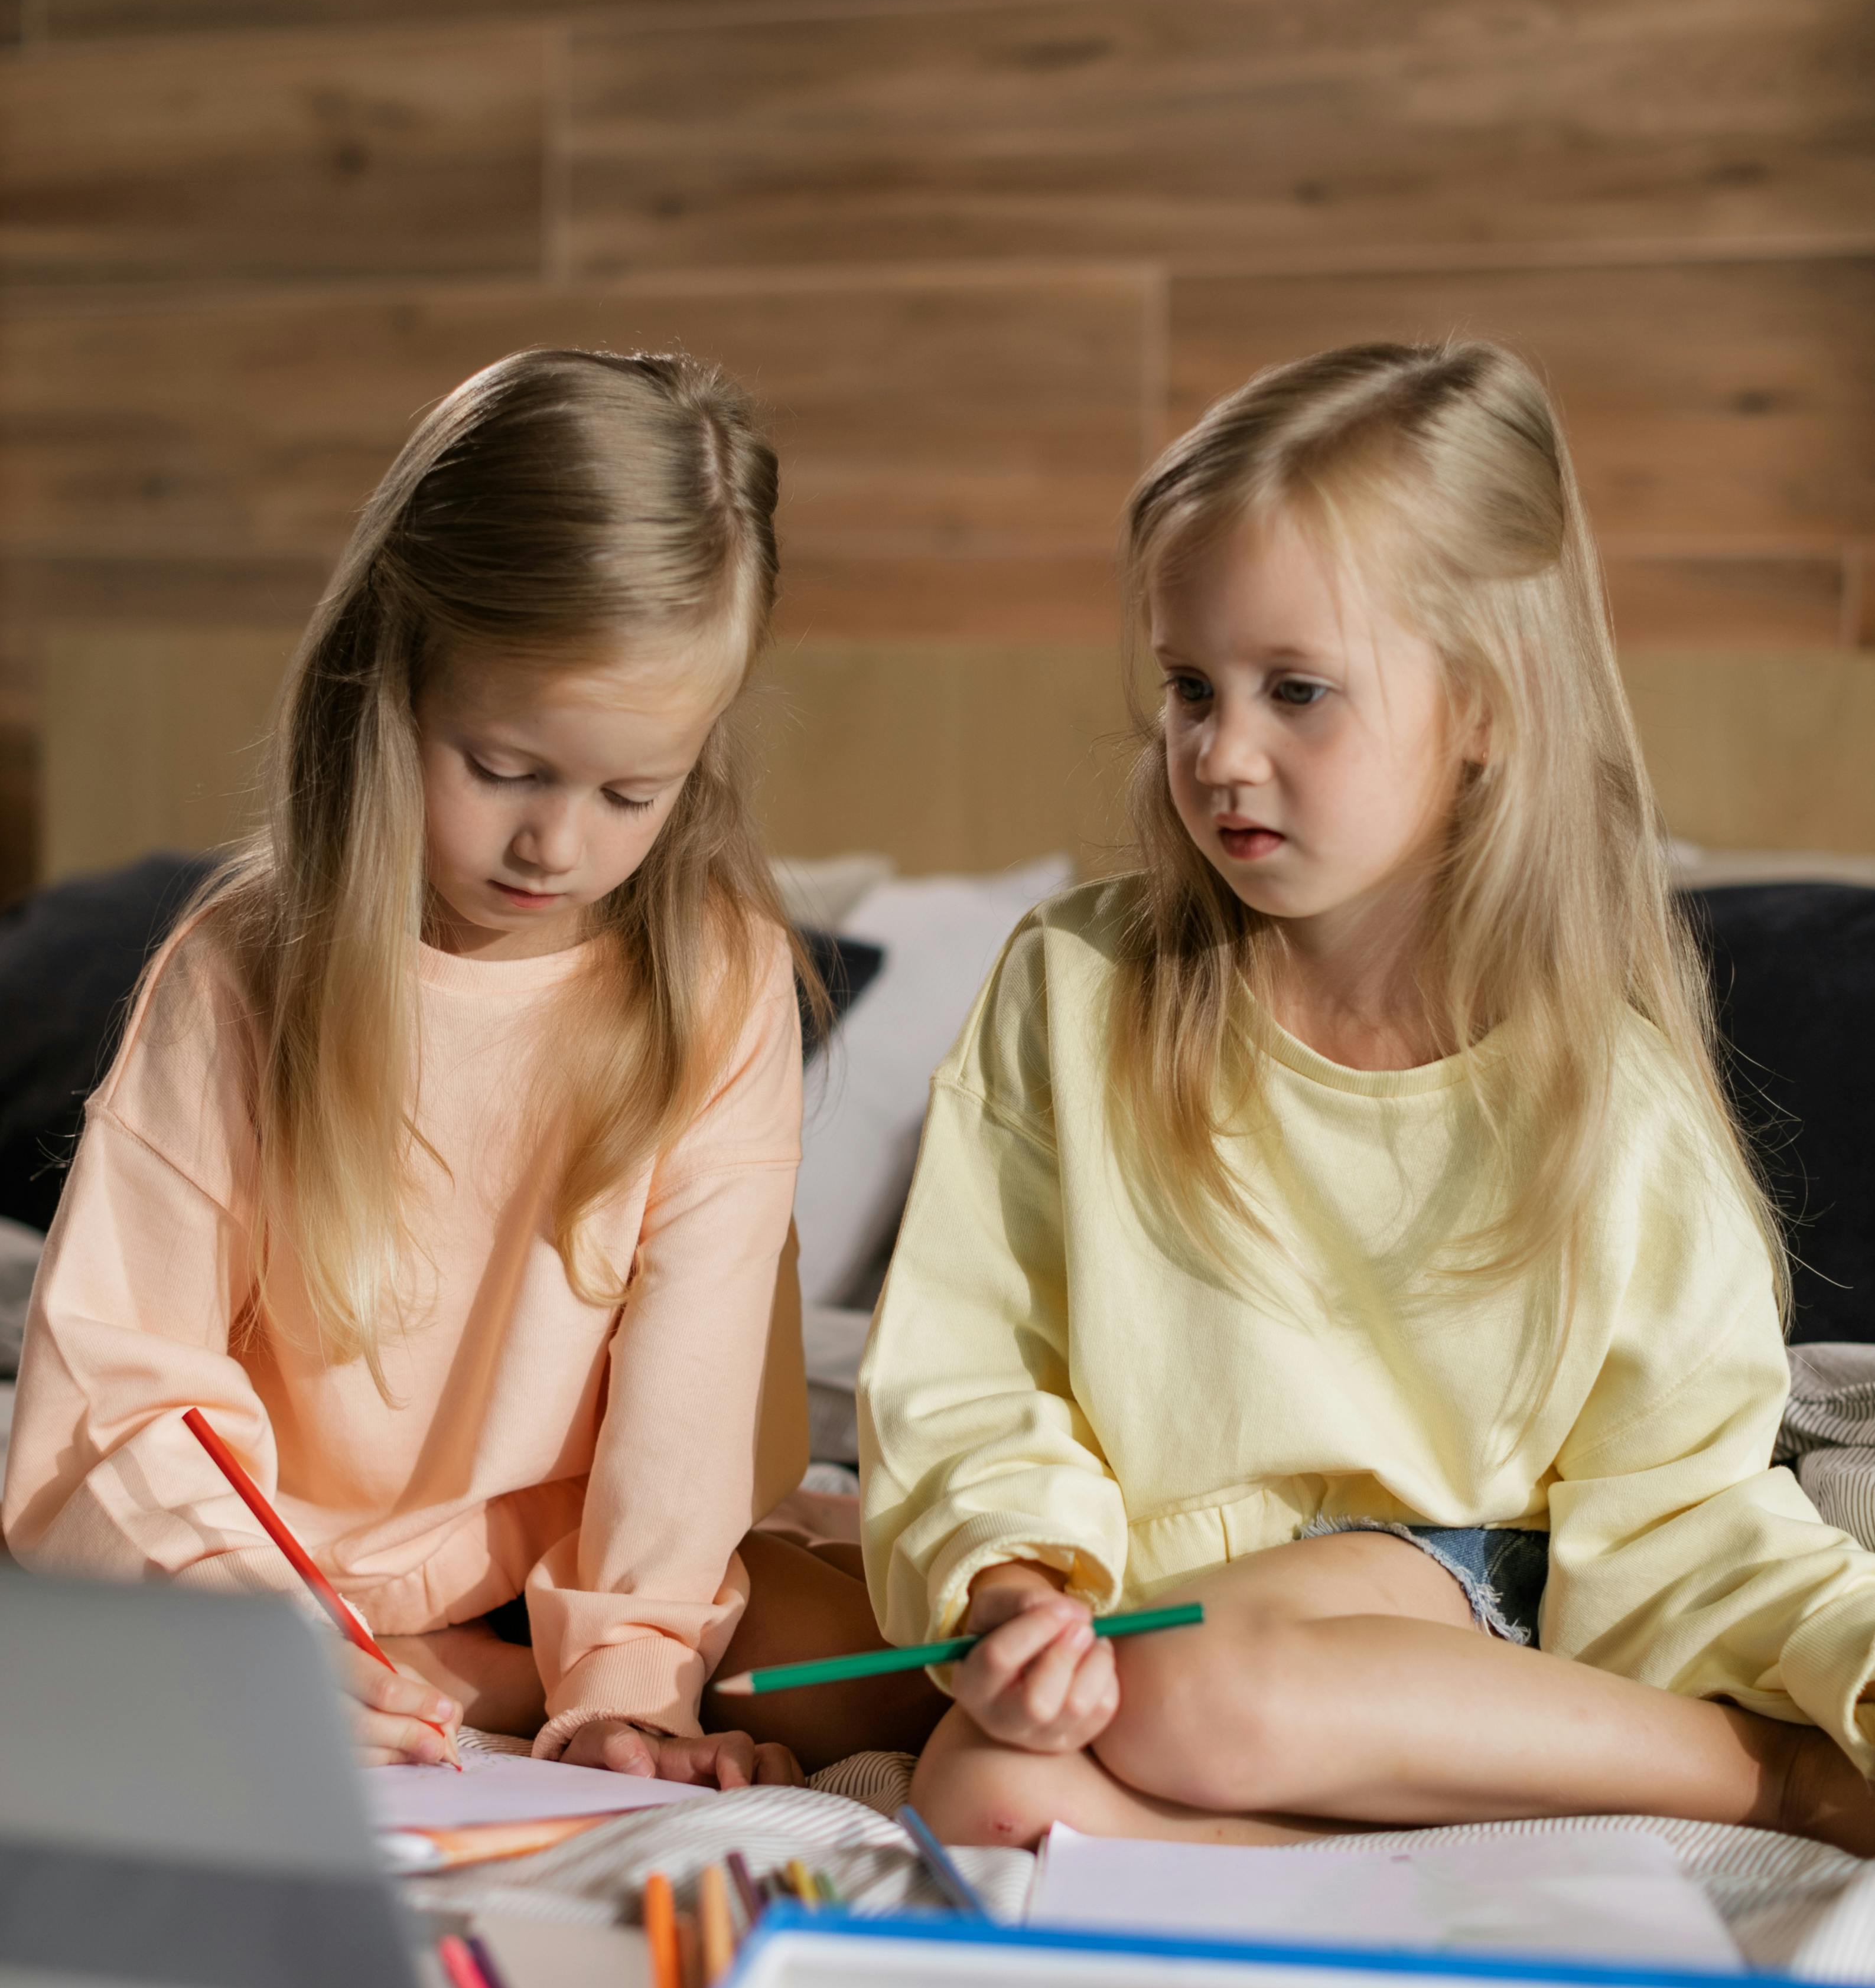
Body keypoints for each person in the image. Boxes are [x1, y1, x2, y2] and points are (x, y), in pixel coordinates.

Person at [860, 339, 1875, 1856]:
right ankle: (1445, 1866)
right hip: (1150, 1614)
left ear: (1483, 706)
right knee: (988, 1795)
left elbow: (1680, 1513)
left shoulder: (1608, 1095)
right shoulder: (1071, 987)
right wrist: (1016, 1583)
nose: (1221, 753)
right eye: (1189, 687)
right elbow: (971, 1373)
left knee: (1185, 1682)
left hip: (1456, 1601)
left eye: (1298, 691)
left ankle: (1775, 1781)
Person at [4, 346, 918, 1782]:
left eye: (633, 791)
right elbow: (119, 1384)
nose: (559, 846)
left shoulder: (716, 973)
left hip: (569, 1570)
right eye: (504, 769)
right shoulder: (243, 965)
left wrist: (629, 1686)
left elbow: (681, 1415)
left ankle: (465, 1677)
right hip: (277, 1553)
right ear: (392, 679)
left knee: (879, 1671)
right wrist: (266, 1629)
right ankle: (395, 1671)